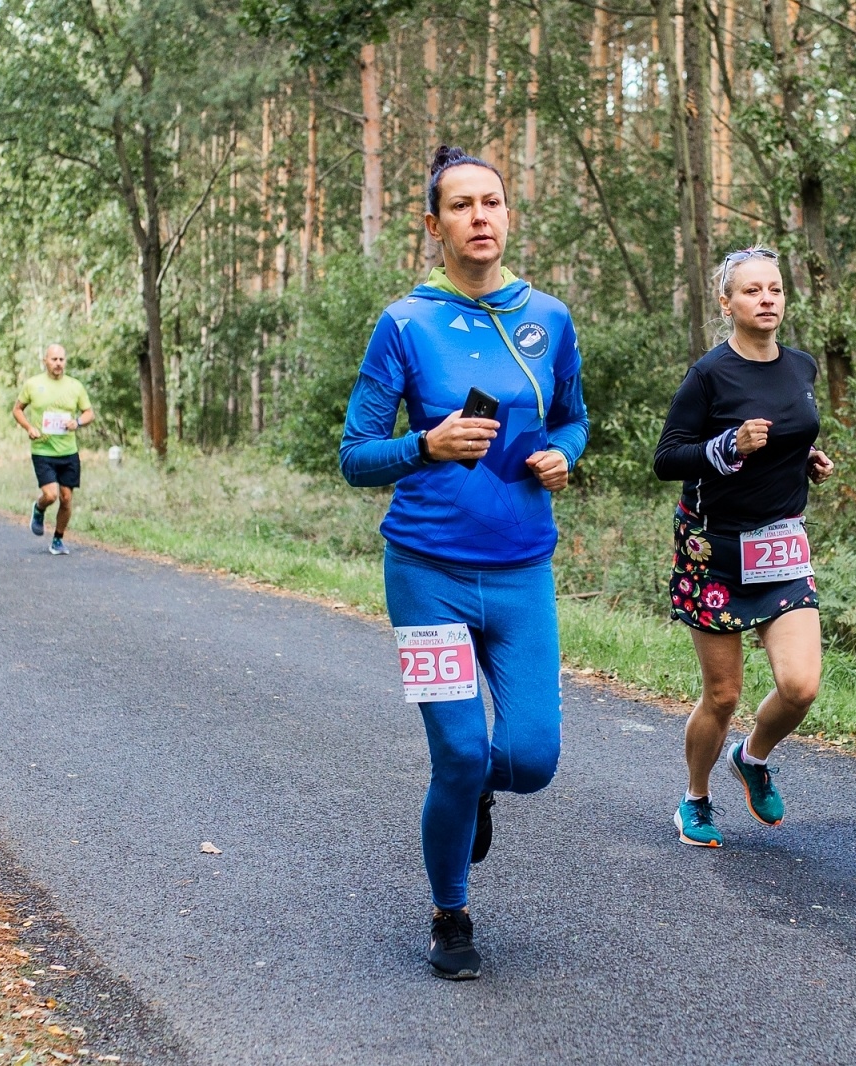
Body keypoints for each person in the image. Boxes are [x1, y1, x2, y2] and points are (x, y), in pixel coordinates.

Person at [339, 145, 589, 981]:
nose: (480, 217)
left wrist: (564, 454)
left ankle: (481, 783)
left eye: (493, 202)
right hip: (426, 571)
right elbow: (355, 455)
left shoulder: (548, 318)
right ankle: (450, 913)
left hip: (522, 572)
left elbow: (573, 418)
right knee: (457, 750)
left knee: (529, 759)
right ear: (434, 225)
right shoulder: (405, 322)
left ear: (508, 214)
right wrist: (427, 443)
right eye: (461, 206)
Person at [652, 246, 835, 848]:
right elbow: (667, 457)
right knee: (724, 694)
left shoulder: (801, 366)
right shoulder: (709, 375)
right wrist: (728, 445)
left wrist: (804, 458)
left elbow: (788, 433)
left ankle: (752, 758)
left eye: (775, 290)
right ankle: (695, 799)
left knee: (800, 686)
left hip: (781, 544)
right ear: (726, 303)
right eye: (752, 291)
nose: (766, 300)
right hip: (715, 550)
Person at [11, 344, 93, 556]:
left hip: (68, 451)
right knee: (51, 495)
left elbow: (88, 413)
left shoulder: (75, 386)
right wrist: (29, 427)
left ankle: (58, 539)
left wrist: (78, 422)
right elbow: (17, 409)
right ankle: (39, 508)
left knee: (66, 498)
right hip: (43, 450)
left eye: (61, 360)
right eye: (54, 359)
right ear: (45, 361)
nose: (58, 363)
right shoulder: (33, 384)